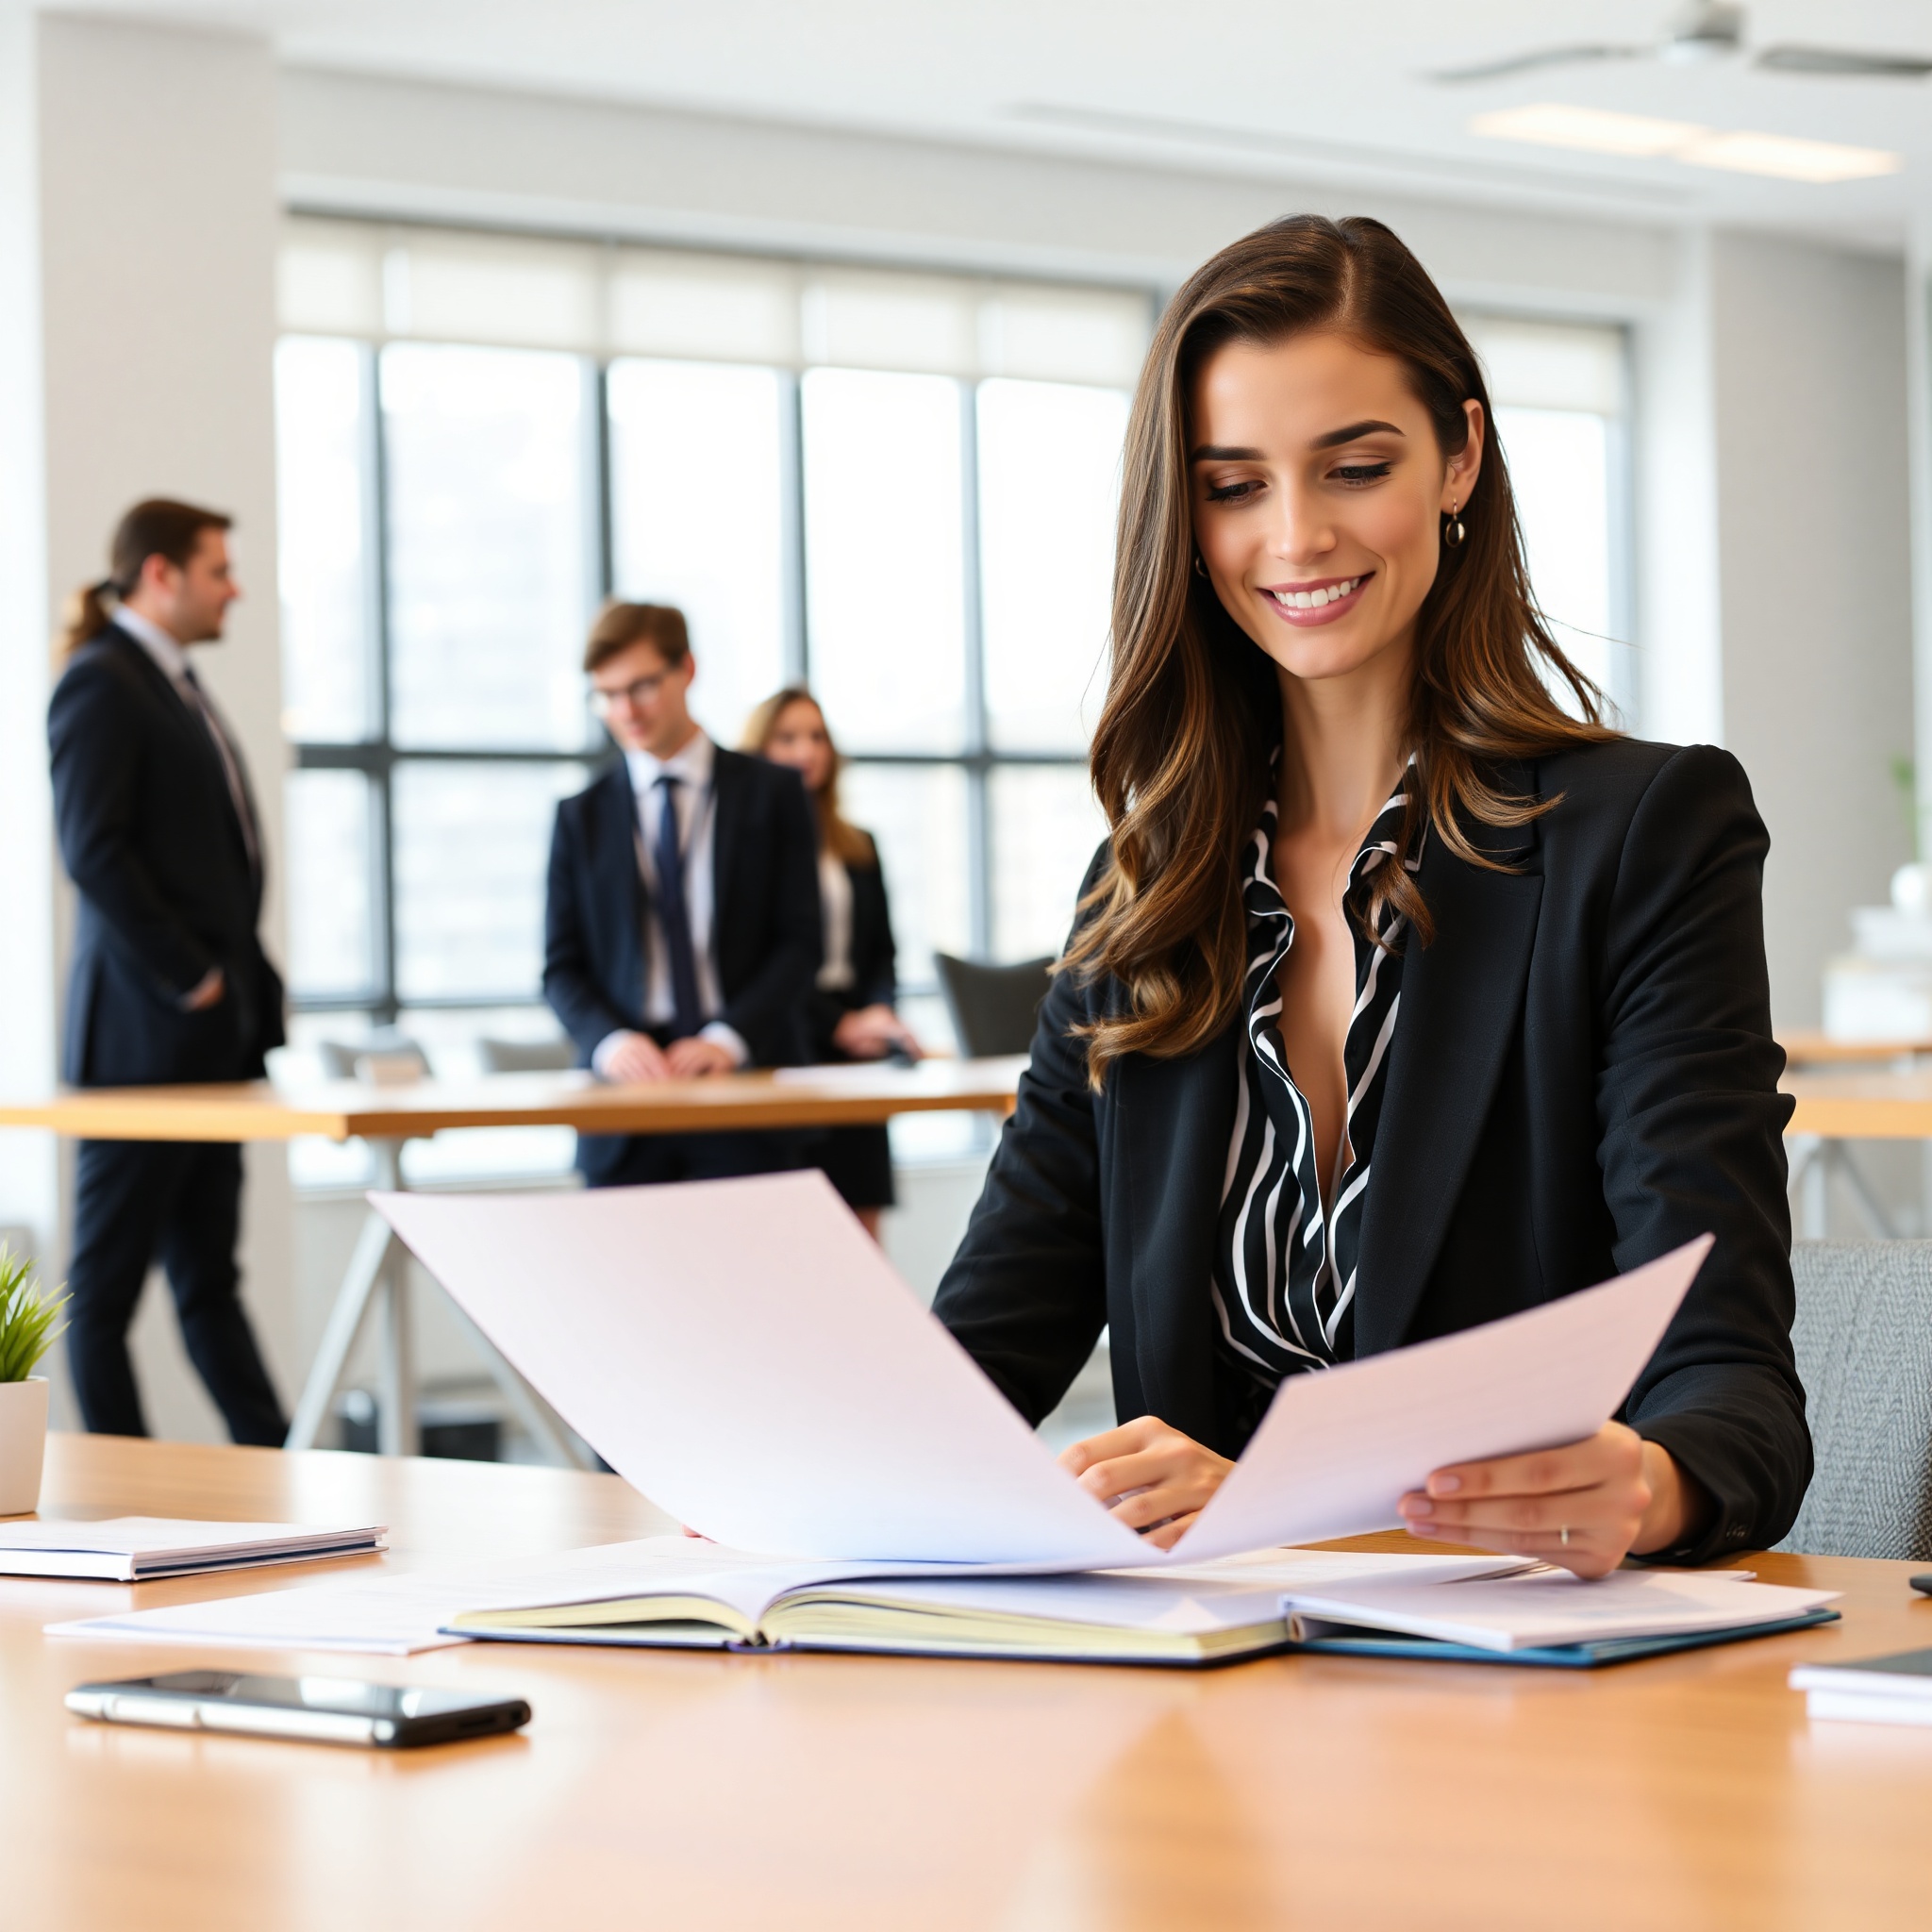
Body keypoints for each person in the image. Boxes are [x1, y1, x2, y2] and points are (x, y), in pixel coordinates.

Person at [932, 216, 1809, 1579]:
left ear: (1460, 455)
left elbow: (1730, 1392)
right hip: (1207, 1695)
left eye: (1354, 466)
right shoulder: (1148, 891)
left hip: (1519, 1697)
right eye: (1233, 485)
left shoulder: (1642, 837)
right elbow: (978, 1363)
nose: (1294, 536)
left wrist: (1649, 1482)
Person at [47, 499, 289, 1444]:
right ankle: (122, 1495)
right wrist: (191, 975)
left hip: (204, 1044)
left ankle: (272, 1466)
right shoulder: (102, 682)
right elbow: (93, 850)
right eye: (218, 569)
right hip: (141, 1044)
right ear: (160, 573)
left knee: (208, 1279)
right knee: (102, 1296)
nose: (234, 587)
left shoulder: (169, 681)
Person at [544, 602, 821, 1186]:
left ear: (687, 669)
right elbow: (561, 969)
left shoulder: (773, 794)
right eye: (607, 694)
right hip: (625, 1103)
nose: (626, 710)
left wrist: (729, 1039)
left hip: (745, 1086)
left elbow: (801, 942)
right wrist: (611, 1043)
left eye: (642, 686)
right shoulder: (580, 817)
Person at [743, 688, 924, 1239]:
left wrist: (878, 1015)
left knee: (864, 1225)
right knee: (796, 1234)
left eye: (817, 736)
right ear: (759, 750)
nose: (807, 750)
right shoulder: (748, 849)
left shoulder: (857, 844)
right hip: (789, 1038)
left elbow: (882, 953)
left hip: (859, 1051)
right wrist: (838, 1023)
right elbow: (762, 959)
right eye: (788, 737)